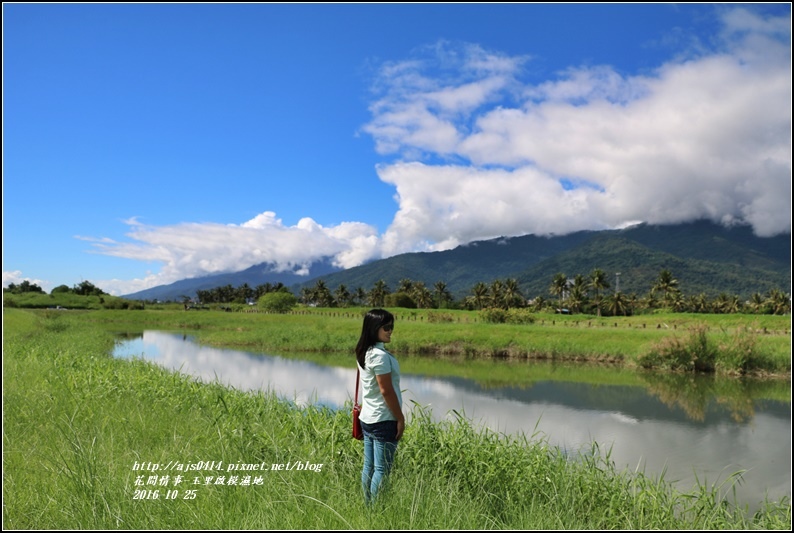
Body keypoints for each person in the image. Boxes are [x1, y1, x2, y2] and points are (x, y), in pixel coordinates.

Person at [355, 308, 404, 504]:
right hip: (384, 418)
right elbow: (386, 390)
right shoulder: (380, 356)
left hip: (367, 417)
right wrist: (399, 418)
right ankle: (376, 510)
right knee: (382, 469)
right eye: (386, 327)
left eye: (392, 327)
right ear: (374, 328)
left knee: (369, 466)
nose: (390, 331)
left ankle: (367, 506)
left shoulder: (364, 351)